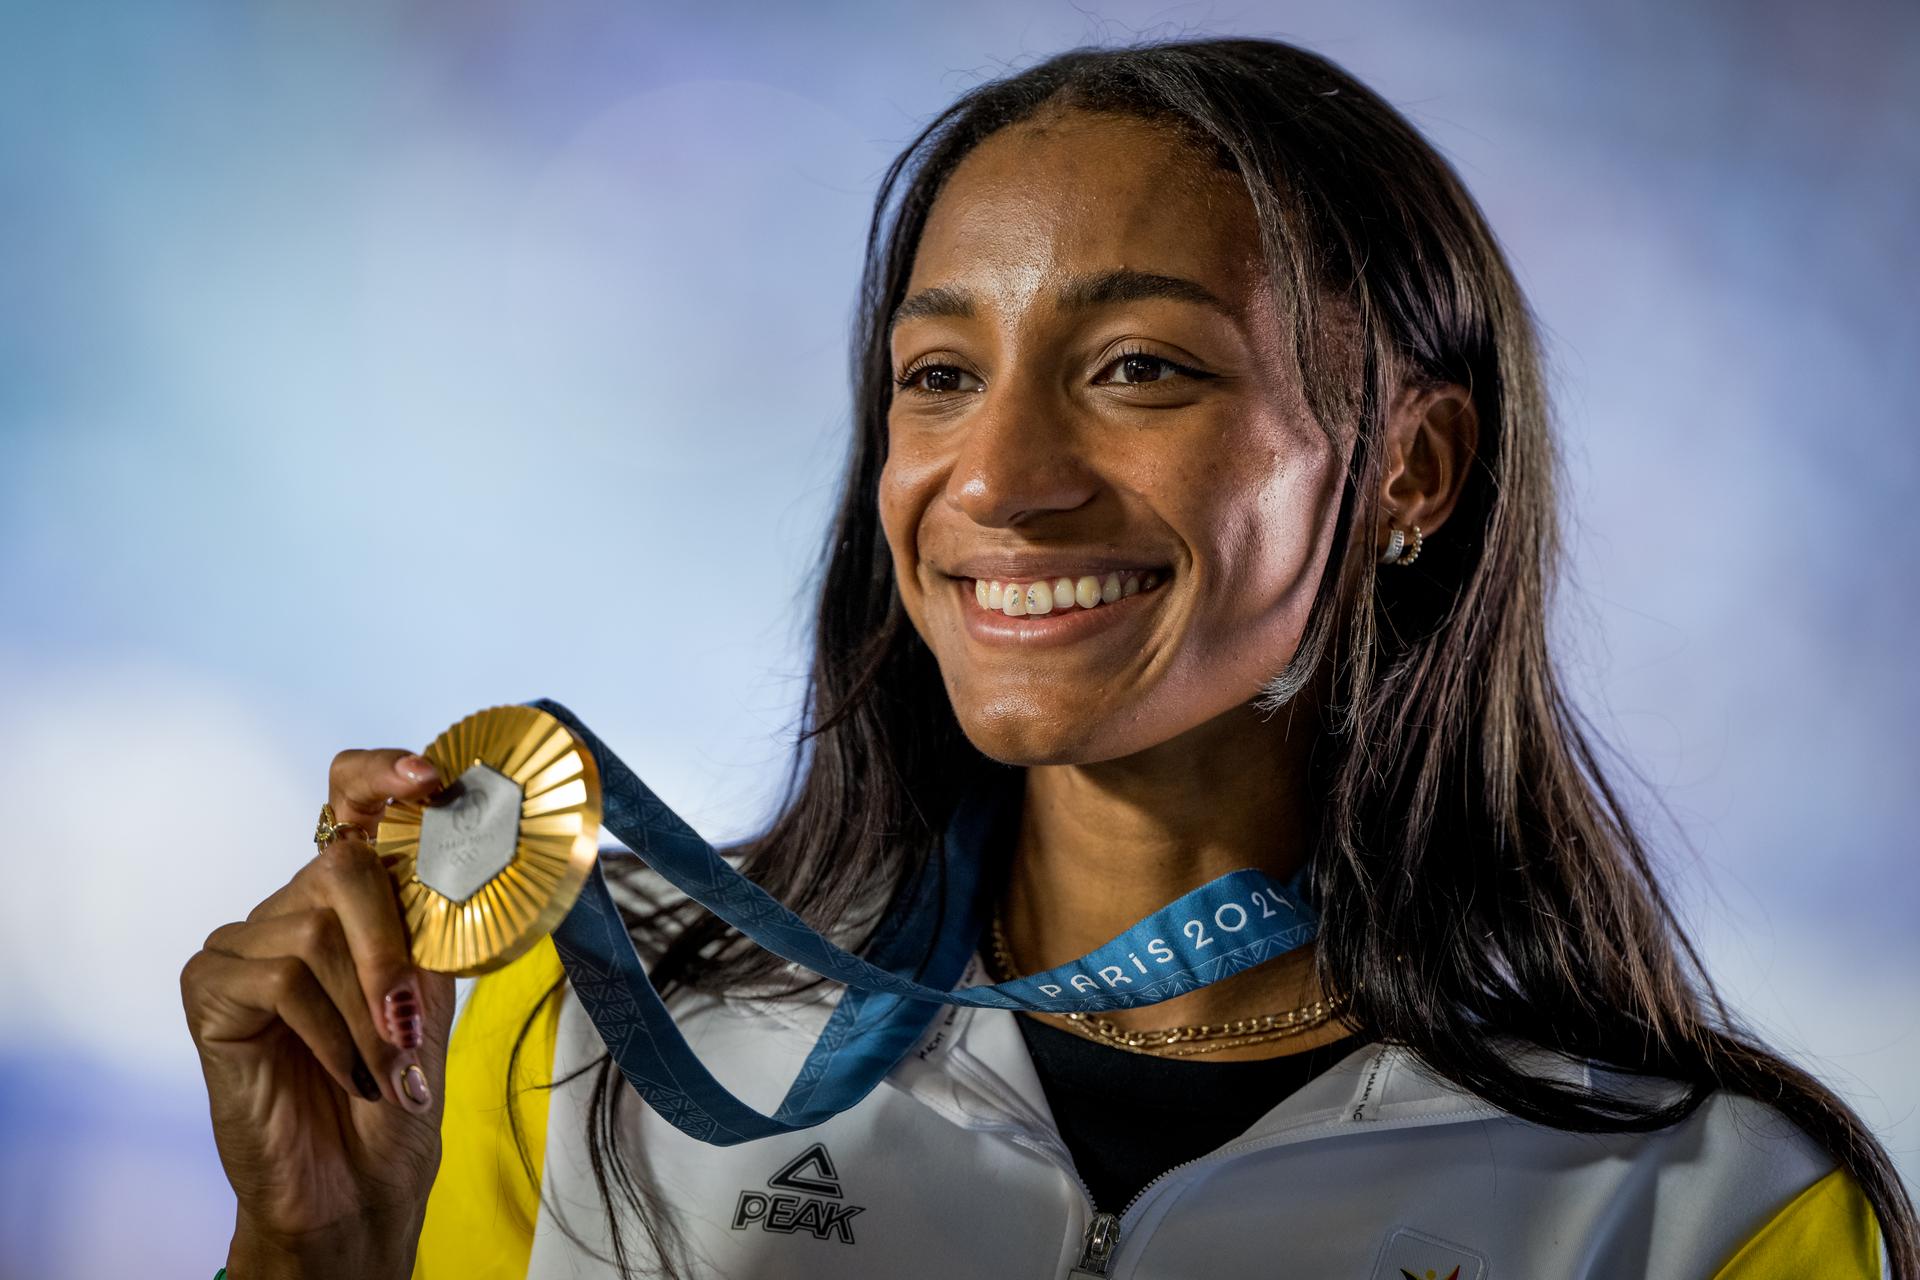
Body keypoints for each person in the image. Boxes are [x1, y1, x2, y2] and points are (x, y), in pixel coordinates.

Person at [180, 36, 1916, 1280]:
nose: (997, 481)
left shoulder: (1709, 1211)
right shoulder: (587, 1037)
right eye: (939, 376)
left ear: (1412, 470)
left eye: (1143, 367)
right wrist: (310, 1253)